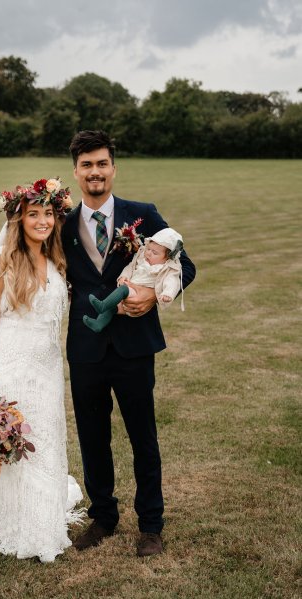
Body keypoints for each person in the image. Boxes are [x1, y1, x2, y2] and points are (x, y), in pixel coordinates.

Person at [61, 131, 196, 557]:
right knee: (92, 437)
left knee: (143, 437)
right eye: (87, 165)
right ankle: (103, 516)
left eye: (102, 163)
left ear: (113, 168)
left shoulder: (143, 214)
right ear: (77, 171)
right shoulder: (61, 224)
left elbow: (184, 264)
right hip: (86, 346)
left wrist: (153, 296)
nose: (95, 172)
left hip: (134, 347)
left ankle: (151, 525)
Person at [0, 178, 83, 563]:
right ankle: (11, 518)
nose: (42, 221)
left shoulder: (57, 260)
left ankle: (43, 515)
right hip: (11, 363)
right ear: (18, 219)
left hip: (48, 367)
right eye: (33, 214)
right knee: (15, 442)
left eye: (49, 214)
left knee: (46, 437)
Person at [83, 227, 185, 333]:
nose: (149, 253)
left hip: (140, 296)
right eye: (148, 249)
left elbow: (172, 281)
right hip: (130, 293)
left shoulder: (167, 268)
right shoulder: (142, 259)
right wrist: (124, 277)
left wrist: (168, 293)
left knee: (123, 289)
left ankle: (103, 305)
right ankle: (98, 324)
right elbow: (130, 268)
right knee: (112, 308)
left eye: (154, 253)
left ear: (168, 257)